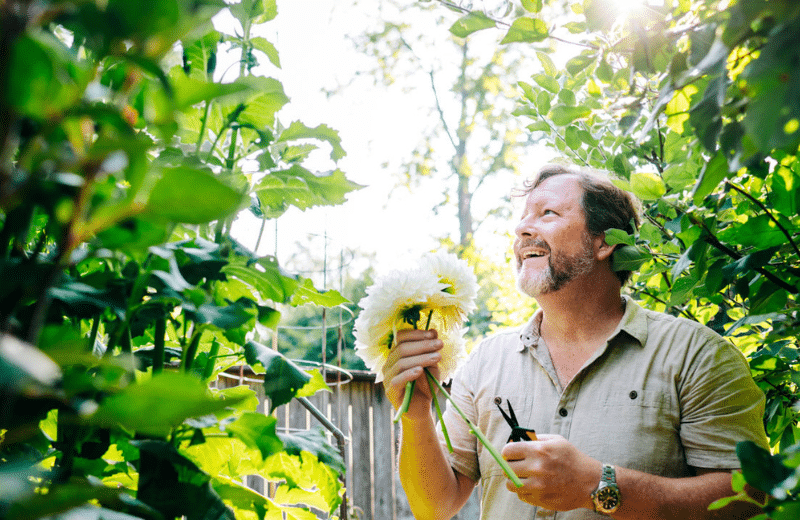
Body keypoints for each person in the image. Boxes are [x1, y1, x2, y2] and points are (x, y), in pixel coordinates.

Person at [381, 163, 769, 519]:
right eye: (522, 220)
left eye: (547, 214)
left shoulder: (696, 355)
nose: (521, 230)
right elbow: (433, 504)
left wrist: (597, 485)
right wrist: (415, 417)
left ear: (604, 242)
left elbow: (749, 498)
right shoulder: (487, 360)